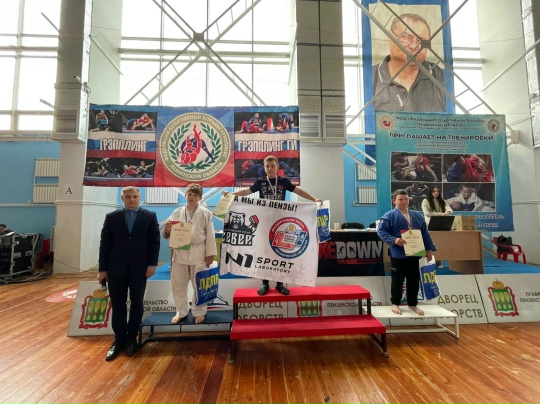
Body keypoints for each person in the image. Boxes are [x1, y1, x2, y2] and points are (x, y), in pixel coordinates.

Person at [223, 155, 322, 296]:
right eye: (267, 166)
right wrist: (231, 195)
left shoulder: (283, 181)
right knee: (264, 252)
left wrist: (314, 199)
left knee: (280, 252)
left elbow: (298, 191)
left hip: (280, 222)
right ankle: (265, 283)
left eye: (272, 166)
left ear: (277, 167)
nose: (270, 169)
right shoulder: (261, 182)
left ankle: (280, 284)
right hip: (264, 223)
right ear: (264, 168)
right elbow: (246, 192)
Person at [98, 186, 160, 361]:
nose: (132, 199)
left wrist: (152, 264)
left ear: (139, 197)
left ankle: (132, 338)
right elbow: (105, 244)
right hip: (115, 268)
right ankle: (119, 339)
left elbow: (154, 242)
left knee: (136, 303)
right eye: (128, 197)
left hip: (140, 268)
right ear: (122, 198)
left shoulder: (150, 216)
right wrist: (102, 269)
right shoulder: (112, 217)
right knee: (118, 304)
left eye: (134, 196)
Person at [162, 184, 217, 324]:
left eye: (195, 195)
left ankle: (199, 311)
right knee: (178, 284)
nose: (191, 197)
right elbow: (167, 234)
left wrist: (210, 253)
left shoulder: (205, 213)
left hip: (198, 252)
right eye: (189, 194)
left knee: (198, 284)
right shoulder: (177, 211)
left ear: (200, 197)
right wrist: (167, 230)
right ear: (185, 195)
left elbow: (210, 234)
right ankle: (181, 311)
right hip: (180, 251)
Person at [377, 189, 436, 315]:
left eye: (406, 199)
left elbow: (425, 233)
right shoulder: (389, 216)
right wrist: (394, 240)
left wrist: (429, 249)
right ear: (394, 201)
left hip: (415, 252)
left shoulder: (417, 215)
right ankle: (395, 303)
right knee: (397, 279)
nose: (404, 201)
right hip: (398, 253)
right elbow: (381, 231)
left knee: (414, 279)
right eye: (400, 199)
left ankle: (413, 304)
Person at [372, 13, 446, 112]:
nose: (414, 46)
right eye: (407, 37)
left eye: (421, 41)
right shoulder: (370, 78)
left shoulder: (443, 78)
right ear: (389, 37)